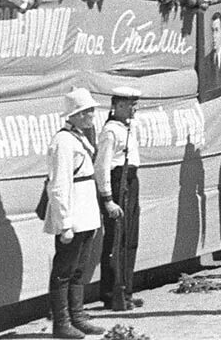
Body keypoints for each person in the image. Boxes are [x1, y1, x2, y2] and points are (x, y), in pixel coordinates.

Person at [43, 88, 106, 339]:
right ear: (76, 115)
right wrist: (65, 222)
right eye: (87, 111)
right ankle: (62, 323)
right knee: (63, 270)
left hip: (87, 212)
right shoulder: (63, 142)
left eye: (91, 110)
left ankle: (77, 316)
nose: (92, 114)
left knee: (80, 268)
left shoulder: (78, 137)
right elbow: (59, 184)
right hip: (73, 215)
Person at [96, 87, 143, 312]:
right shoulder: (111, 131)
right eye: (131, 104)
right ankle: (111, 292)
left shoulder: (128, 127)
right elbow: (102, 167)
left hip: (131, 181)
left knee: (129, 239)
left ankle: (126, 290)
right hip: (117, 183)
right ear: (119, 105)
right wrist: (107, 198)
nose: (135, 108)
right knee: (115, 240)